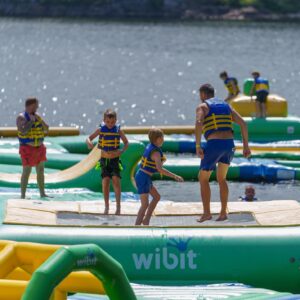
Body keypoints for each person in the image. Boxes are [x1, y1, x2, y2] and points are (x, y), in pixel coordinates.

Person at [195, 84, 251, 222]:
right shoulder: (227, 106)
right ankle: (223, 213)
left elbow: (198, 122)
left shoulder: (202, 107)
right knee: (221, 178)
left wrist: (197, 145)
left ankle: (207, 213)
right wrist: (246, 146)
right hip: (229, 145)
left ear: (203, 94)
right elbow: (243, 123)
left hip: (214, 145)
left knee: (203, 178)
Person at [135, 128, 184, 225]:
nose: (163, 139)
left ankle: (146, 220)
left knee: (156, 197)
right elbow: (160, 169)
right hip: (143, 177)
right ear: (156, 139)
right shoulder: (156, 153)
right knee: (144, 204)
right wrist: (174, 176)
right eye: (162, 137)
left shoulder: (151, 146)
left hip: (144, 176)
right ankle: (136, 226)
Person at [86, 109, 128, 215]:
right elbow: (88, 138)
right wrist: (89, 143)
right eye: (108, 122)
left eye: (112, 122)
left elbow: (126, 143)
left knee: (116, 181)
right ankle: (106, 207)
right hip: (104, 160)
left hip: (114, 159)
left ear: (116, 121)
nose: (110, 124)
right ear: (104, 120)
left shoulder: (118, 130)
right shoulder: (101, 129)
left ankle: (118, 207)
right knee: (105, 182)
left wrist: (121, 151)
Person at [16, 98, 49, 199]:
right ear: (29, 106)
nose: (37, 107)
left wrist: (40, 120)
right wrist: (31, 122)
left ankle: (42, 193)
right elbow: (23, 131)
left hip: (39, 148)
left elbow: (46, 129)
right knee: (27, 171)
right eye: (35, 106)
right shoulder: (21, 117)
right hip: (27, 149)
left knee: (40, 170)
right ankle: (23, 195)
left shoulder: (37, 116)